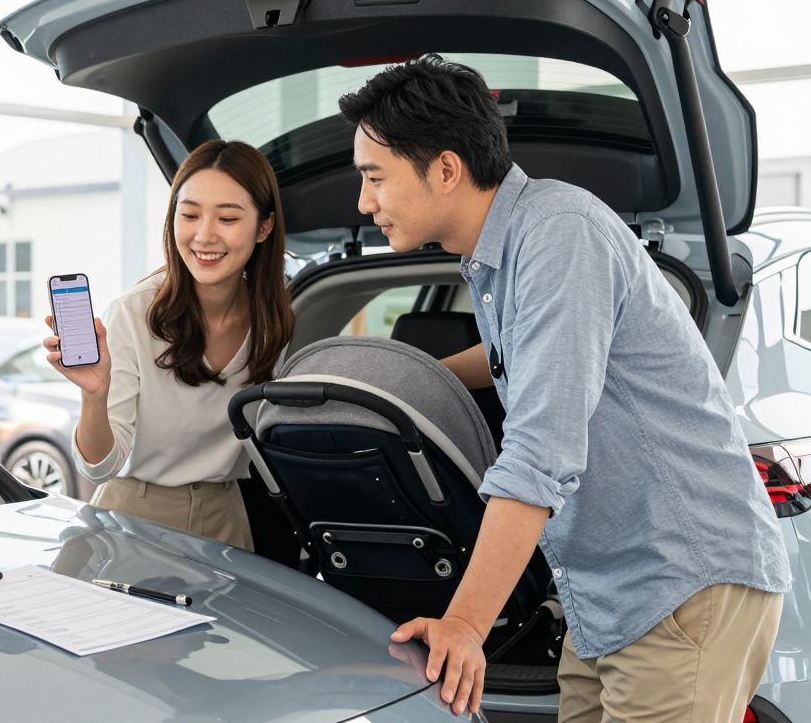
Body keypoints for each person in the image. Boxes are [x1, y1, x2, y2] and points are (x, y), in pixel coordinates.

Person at [337, 54, 791, 720]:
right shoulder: (498, 252)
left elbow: (540, 451)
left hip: (679, 584)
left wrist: (464, 625)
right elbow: (509, 360)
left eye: (375, 177)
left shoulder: (559, 234)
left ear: (444, 169)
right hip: (603, 596)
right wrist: (404, 377)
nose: (363, 201)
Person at [43, 140, 294, 551]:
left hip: (226, 514)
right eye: (189, 214)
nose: (204, 235)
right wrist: (95, 395)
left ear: (263, 227)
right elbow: (99, 466)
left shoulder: (273, 318)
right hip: (133, 517)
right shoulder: (134, 313)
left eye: (228, 218)